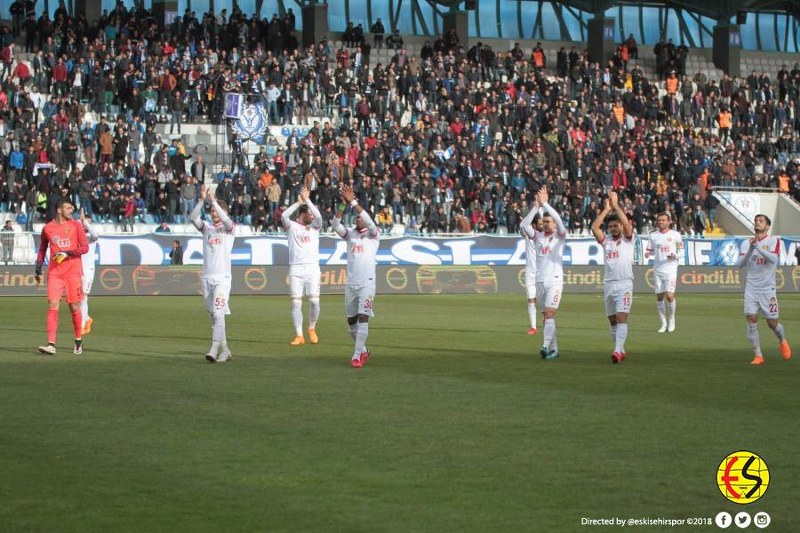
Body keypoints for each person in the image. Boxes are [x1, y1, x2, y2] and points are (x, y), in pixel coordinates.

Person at [331, 186, 380, 368]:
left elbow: (370, 222)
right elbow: (335, 225)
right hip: (351, 283)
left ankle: (357, 355)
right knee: (351, 322)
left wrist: (354, 202)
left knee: (363, 317)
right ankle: (364, 350)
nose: (360, 220)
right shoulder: (350, 235)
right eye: (357, 218)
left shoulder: (374, 235)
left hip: (367, 283)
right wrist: (343, 206)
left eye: (362, 217)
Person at [35, 198, 89, 355]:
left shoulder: (76, 226)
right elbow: (42, 248)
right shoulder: (48, 228)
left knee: (73, 307)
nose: (71, 210)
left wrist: (67, 253)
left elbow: (84, 247)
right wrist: (38, 267)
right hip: (55, 273)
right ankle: (51, 344)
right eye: (68, 208)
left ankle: (78, 341)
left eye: (71, 208)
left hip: (73, 273)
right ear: (59, 210)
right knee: (53, 305)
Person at [737, 214, 791, 365]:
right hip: (751, 288)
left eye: (761, 221)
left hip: (768, 289)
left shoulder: (774, 241)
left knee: (772, 323)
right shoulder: (746, 243)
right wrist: (751, 249)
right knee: (751, 319)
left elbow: (773, 259)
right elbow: (739, 264)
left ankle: (782, 340)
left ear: (767, 226)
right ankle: (758, 355)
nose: (757, 222)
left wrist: (757, 247)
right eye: (756, 221)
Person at [191, 185, 235, 363]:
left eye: (216, 211)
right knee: (215, 317)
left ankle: (213, 349)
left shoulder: (229, 228)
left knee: (218, 314)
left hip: (222, 279)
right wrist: (202, 200)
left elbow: (226, 220)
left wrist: (214, 201)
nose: (213, 213)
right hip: (207, 278)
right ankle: (225, 350)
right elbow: (193, 217)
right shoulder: (207, 229)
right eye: (211, 211)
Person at [591, 192, 634, 364]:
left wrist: (616, 206)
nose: (613, 229)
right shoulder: (606, 242)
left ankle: (616, 351)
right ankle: (621, 349)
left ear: (621, 227)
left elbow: (627, 225)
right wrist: (606, 209)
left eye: (616, 226)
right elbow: (595, 228)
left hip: (624, 284)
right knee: (612, 320)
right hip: (608, 284)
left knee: (622, 317)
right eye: (611, 227)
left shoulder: (628, 240)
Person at [282, 185, 323, 346]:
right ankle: (299, 335)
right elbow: (284, 215)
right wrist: (299, 203)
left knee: (314, 302)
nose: (312, 215)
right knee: (296, 303)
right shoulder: (292, 227)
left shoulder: (315, 228)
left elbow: (319, 216)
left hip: (313, 268)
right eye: (309, 213)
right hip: (296, 269)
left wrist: (308, 200)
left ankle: (311, 328)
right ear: (302, 214)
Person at [531, 188, 567, 360]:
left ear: (554, 224)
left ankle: (545, 345)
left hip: (555, 281)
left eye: (548, 221)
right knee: (546, 317)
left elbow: (559, 219)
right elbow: (523, 225)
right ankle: (554, 349)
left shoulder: (560, 236)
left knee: (550, 313)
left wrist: (545, 204)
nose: (545, 223)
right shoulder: (538, 236)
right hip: (540, 280)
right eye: (543, 221)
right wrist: (535, 207)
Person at [645, 212, 683, 332]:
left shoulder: (675, 235)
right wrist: (648, 253)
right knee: (659, 297)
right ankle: (663, 323)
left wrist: (675, 255)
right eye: (659, 220)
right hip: (657, 269)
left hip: (671, 268)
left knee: (670, 295)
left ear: (669, 221)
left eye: (663, 220)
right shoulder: (653, 235)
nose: (660, 222)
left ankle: (672, 319)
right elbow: (650, 250)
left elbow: (682, 252)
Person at [519, 198, 541, 335]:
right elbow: (523, 224)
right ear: (534, 225)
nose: (542, 225)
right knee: (531, 298)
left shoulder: (542, 236)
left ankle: (546, 321)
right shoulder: (528, 234)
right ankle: (533, 326)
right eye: (539, 223)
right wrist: (535, 208)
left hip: (542, 271)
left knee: (544, 299)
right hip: (530, 271)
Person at [79, 210, 99, 335]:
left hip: (88, 270)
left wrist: (85, 222)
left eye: (88, 222)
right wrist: (78, 222)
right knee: (77, 299)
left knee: (83, 297)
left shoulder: (92, 237)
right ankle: (86, 319)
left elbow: (96, 234)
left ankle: (81, 325)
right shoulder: (77, 235)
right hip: (76, 269)